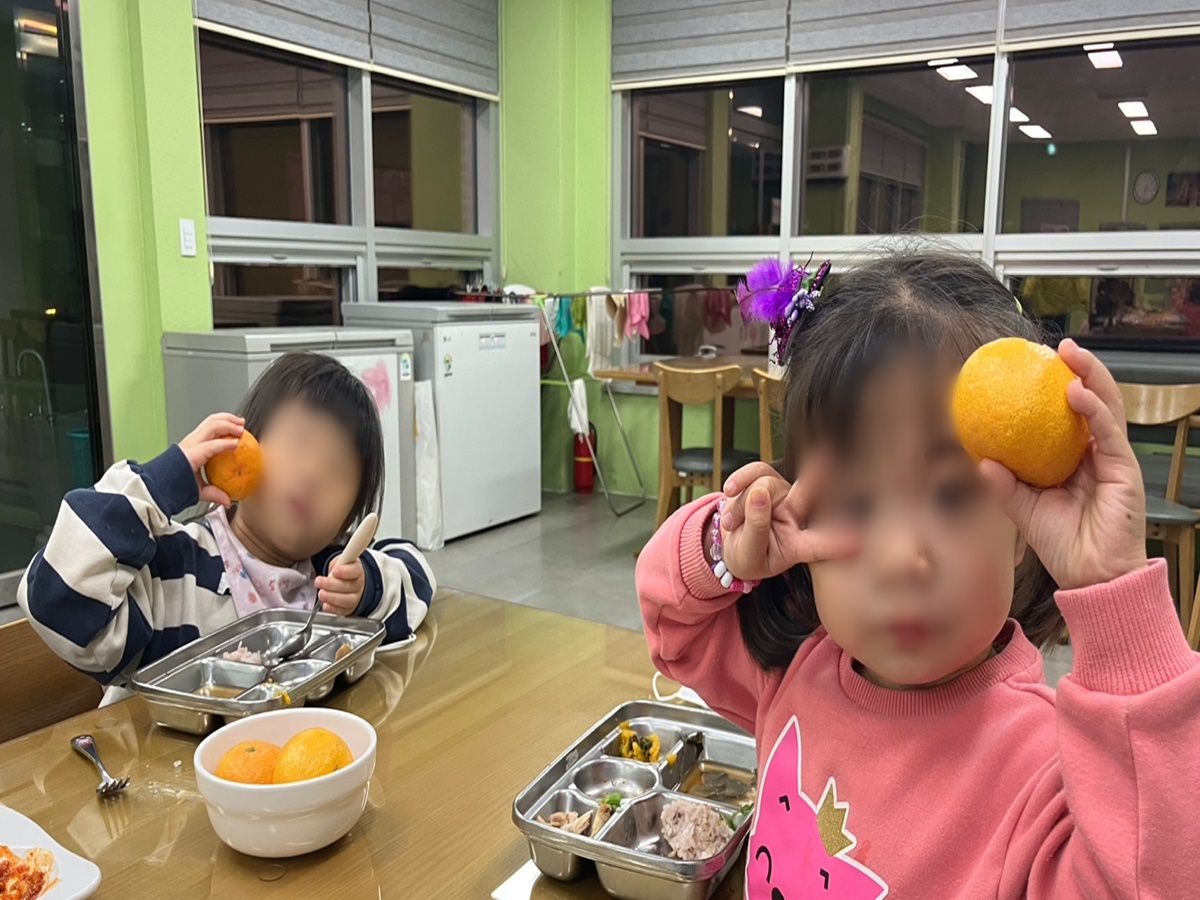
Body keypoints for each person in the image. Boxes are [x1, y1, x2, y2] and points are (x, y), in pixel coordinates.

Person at [637, 252, 1199, 898]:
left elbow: (1156, 877)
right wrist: (725, 545)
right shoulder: (793, 670)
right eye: (855, 502)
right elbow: (670, 624)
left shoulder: (1046, 766)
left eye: (952, 495)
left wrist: (1117, 605)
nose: (903, 557)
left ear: (1023, 527)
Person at [20, 352, 435, 688]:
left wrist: (365, 587)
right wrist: (160, 483)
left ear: (347, 518)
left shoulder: (328, 578)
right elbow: (56, 599)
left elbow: (418, 575)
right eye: (298, 442)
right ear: (245, 445)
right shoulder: (176, 568)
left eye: (337, 473)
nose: (312, 475)